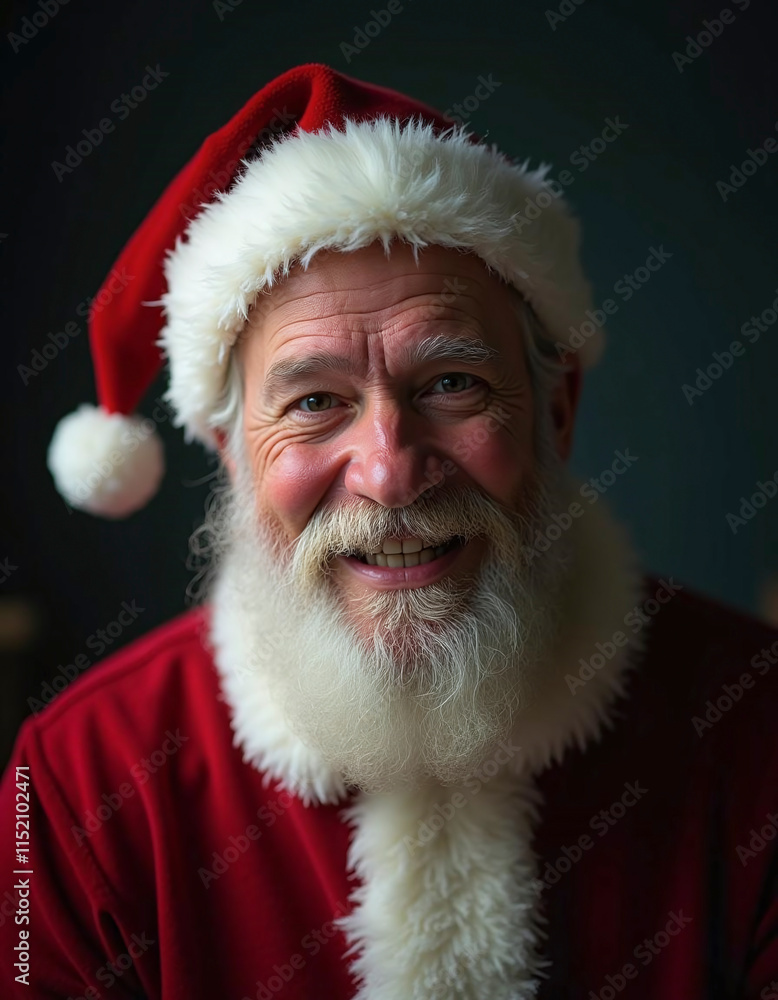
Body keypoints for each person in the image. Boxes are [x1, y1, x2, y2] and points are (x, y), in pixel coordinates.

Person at [1, 62, 776, 1000]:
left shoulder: (757, 727)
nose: (389, 470)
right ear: (228, 450)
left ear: (557, 409)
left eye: (452, 383)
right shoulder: (76, 785)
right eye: (315, 402)